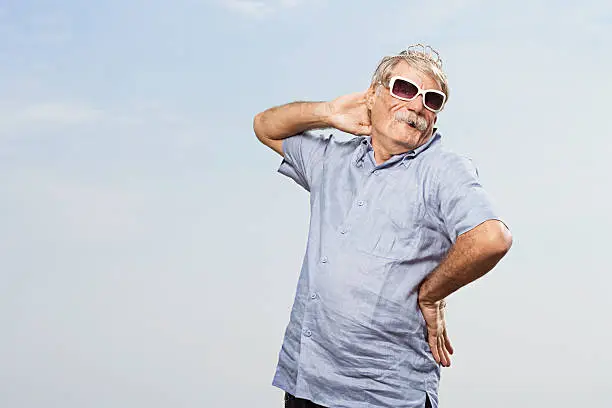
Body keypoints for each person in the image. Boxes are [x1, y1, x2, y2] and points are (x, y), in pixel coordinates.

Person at [253, 44, 512, 408]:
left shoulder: (442, 171)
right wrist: (329, 113)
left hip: (383, 393)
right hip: (307, 382)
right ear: (372, 96)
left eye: (432, 100)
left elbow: (491, 238)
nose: (418, 105)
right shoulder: (331, 159)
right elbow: (264, 126)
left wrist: (432, 293)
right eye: (405, 89)